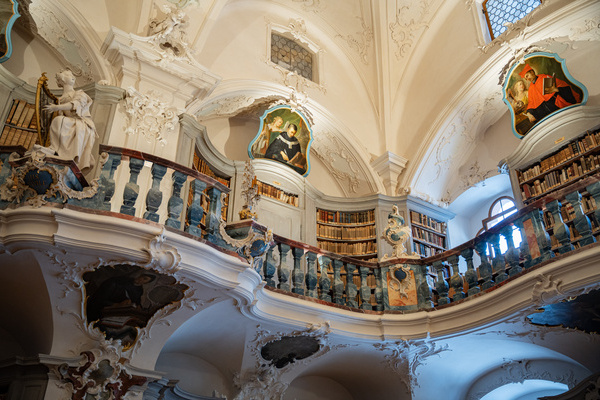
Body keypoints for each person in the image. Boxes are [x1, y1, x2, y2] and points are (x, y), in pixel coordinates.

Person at [43, 69, 98, 172]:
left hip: (81, 123)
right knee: (58, 121)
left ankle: (57, 149)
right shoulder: (60, 99)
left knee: (58, 120)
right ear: (62, 80)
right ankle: (56, 149)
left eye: (72, 75)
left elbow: (75, 105)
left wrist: (57, 108)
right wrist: (57, 108)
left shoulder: (80, 93)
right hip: (70, 123)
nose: (72, 77)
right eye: (69, 75)